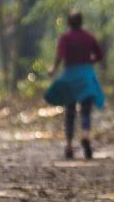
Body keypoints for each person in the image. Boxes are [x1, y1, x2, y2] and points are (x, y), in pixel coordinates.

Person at [44, 10, 104, 159]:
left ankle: (69, 145)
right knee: (85, 110)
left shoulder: (65, 38)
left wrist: (53, 69)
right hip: (86, 75)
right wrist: (90, 62)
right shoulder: (89, 37)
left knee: (70, 112)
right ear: (81, 22)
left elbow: (59, 56)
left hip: (70, 76)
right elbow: (100, 55)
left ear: (68, 23)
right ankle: (85, 135)